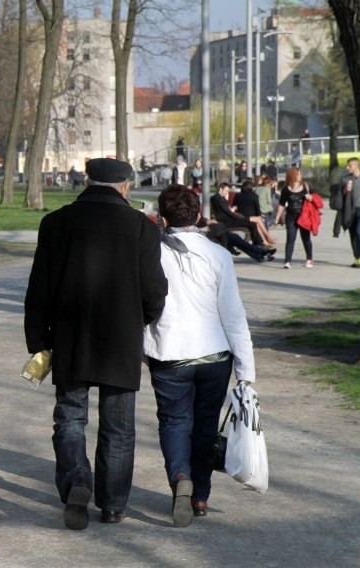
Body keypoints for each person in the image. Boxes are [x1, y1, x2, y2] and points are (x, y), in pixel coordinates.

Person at [24, 157, 168, 530]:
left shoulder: (55, 223)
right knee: (119, 428)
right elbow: (154, 291)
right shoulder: (142, 227)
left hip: (70, 335)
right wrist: (142, 319)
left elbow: (39, 288)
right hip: (120, 339)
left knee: (70, 418)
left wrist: (38, 340)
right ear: (125, 186)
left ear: (87, 182)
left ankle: (77, 481)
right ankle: (114, 504)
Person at [145, 186, 256, 526]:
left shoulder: (151, 253)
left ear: (163, 217)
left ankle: (180, 477)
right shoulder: (217, 254)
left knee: (175, 421)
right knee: (205, 425)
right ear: (197, 215)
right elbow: (233, 314)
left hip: (170, 353)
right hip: (214, 354)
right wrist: (245, 369)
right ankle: (200, 497)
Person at [275, 167, 315, 269]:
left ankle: (309, 259)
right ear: (292, 175)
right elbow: (282, 204)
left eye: (300, 174)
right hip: (291, 217)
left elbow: (315, 197)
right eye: (298, 174)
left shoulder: (305, 186)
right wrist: (277, 217)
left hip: (304, 217)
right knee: (290, 238)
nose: (300, 176)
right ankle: (287, 261)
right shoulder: (286, 189)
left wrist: (311, 197)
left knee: (306, 238)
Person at [210, 182, 265, 248]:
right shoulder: (218, 198)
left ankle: (258, 243)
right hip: (226, 221)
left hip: (228, 219)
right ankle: (258, 243)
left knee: (252, 224)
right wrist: (240, 218)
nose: (227, 192)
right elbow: (228, 212)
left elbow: (227, 210)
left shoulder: (219, 198)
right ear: (220, 189)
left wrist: (233, 210)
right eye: (226, 190)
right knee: (252, 224)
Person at [233, 179, 277, 246]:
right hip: (248, 218)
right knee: (259, 220)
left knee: (257, 223)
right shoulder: (254, 196)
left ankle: (265, 241)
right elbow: (258, 210)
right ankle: (268, 236)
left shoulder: (237, 196)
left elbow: (234, 206)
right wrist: (259, 216)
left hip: (240, 217)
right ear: (251, 188)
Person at [342, 158, 360, 266]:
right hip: (350, 210)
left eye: (349, 166)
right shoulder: (345, 179)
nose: (347, 168)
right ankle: (356, 258)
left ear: (356, 166)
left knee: (359, 232)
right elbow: (339, 195)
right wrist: (345, 190)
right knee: (353, 234)